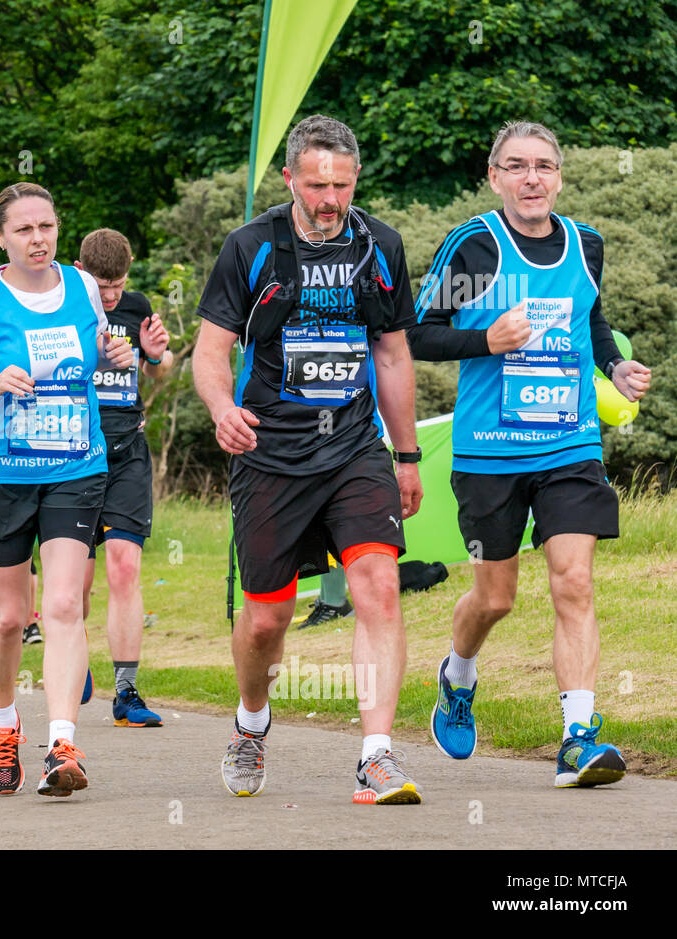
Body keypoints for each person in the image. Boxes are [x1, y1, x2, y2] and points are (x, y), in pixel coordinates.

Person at [409, 121, 650, 788]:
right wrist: (485, 338)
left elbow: (590, 320)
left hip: (570, 442)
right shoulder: (474, 246)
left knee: (574, 579)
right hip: (489, 453)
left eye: (543, 165)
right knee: (496, 597)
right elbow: (416, 333)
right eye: (516, 166)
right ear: (495, 177)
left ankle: (578, 737)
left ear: (560, 177)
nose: (532, 177)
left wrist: (614, 366)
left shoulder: (585, 245)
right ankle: (458, 675)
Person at [192, 115, 424, 804]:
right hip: (270, 452)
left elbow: (391, 352)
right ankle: (251, 723)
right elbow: (211, 351)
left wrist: (406, 454)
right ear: (290, 177)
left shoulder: (379, 246)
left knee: (379, 586)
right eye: (317, 184)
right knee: (268, 617)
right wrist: (220, 409)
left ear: (356, 180)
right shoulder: (251, 247)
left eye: (342, 185)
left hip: (354, 446)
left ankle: (376, 756)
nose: (330, 198)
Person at [0, 182, 133, 796]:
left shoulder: (84, 287)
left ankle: (63, 742)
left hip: (75, 466)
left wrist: (114, 354)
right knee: (10, 616)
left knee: (66, 605)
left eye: (46, 227)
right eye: (24, 230)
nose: (38, 239)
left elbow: (88, 353)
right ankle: (4, 722)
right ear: (1, 237)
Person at [74, 228, 172, 728]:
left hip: (127, 450)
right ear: (81, 269)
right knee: (77, 581)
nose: (110, 297)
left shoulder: (136, 305)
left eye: (117, 285)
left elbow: (159, 367)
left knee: (124, 568)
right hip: (72, 453)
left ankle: (126, 692)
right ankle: (74, 660)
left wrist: (154, 354)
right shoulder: (64, 299)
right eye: (101, 286)